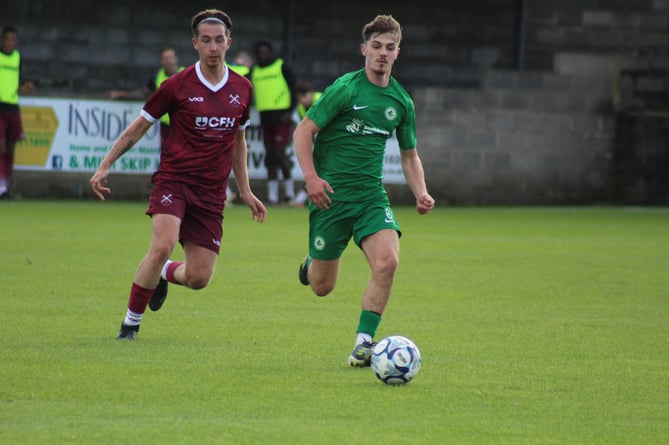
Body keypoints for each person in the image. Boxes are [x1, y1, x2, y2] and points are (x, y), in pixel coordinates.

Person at [90, 8, 267, 340]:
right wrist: (105, 164)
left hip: (211, 193)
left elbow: (238, 141)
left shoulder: (243, 88)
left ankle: (163, 274)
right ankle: (130, 325)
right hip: (174, 180)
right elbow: (138, 127)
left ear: (229, 43)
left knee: (199, 278)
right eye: (206, 41)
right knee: (163, 245)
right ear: (195, 44)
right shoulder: (176, 85)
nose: (213, 47)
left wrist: (244, 189)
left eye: (219, 41)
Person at [293, 14, 435, 367]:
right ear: (364, 50)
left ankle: (364, 344)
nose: (382, 54)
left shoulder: (402, 102)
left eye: (389, 48)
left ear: (398, 52)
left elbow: (409, 154)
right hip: (331, 199)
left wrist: (421, 191)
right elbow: (302, 132)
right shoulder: (345, 89)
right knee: (322, 287)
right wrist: (310, 177)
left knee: (388, 262)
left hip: (371, 197)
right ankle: (312, 262)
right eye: (376, 47)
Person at [251, 40, 297, 205]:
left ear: (270, 52)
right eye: (259, 53)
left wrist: (290, 111)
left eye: (265, 52)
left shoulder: (282, 66)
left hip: (281, 117)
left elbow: (293, 89)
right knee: (270, 156)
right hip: (265, 117)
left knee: (279, 154)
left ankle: (289, 194)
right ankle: (272, 197)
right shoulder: (254, 70)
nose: (262, 56)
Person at [0, 26, 35, 199]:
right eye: (7, 39)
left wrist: (25, 87)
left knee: (11, 148)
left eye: (13, 39)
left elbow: (16, 83)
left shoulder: (17, 58)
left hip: (12, 106)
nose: (10, 43)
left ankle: (5, 185)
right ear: (2, 40)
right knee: (1, 146)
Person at [292, 80, 323, 206]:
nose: (303, 101)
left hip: (333, 141)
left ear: (311, 93)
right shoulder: (300, 108)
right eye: (300, 98)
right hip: (320, 142)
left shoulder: (321, 99)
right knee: (315, 170)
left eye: (305, 97)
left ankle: (301, 199)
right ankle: (302, 199)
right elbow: (306, 130)